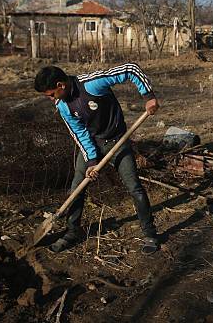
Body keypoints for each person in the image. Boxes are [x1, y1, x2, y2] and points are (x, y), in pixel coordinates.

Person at [34, 63, 160, 254]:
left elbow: (130, 69)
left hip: (118, 141)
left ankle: (150, 233)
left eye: (51, 94)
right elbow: (80, 133)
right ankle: (72, 231)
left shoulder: (91, 84)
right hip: (93, 143)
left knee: (134, 187)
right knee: (77, 188)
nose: (52, 99)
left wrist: (148, 96)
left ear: (60, 85)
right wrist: (91, 161)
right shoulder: (63, 106)